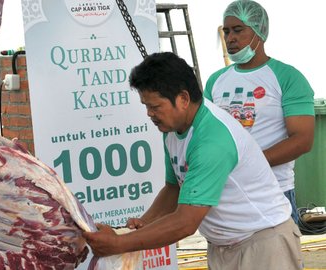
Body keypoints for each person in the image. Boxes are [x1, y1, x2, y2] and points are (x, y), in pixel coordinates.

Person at [82, 52, 303, 269]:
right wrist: (142, 225)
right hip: (224, 247)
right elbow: (173, 188)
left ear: (184, 99)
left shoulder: (212, 140)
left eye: (155, 106)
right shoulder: (171, 130)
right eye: (146, 106)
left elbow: (186, 223)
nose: (149, 114)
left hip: (263, 244)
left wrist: (119, 243)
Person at [204, 0, 315, 224]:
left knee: (278, 259)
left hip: (272, 193)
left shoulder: (287, 77)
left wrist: (249, 163)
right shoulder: (216, 80)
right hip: (226, 195)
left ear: (259, 31)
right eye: (226, 31)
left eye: (238, 30)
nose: (230, 38)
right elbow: (206, 133)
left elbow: (303, 140)